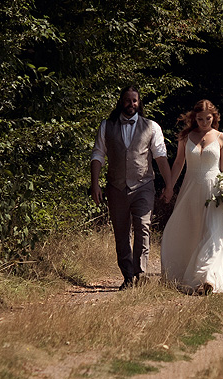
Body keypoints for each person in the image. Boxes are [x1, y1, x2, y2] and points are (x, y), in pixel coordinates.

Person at [90, 85, 174, 290]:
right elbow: (98, 155)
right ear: (121, 102)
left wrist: (170, 185)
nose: (131, 104)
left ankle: (140, 273)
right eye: (127, 100)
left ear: (139, 103)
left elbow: (160, 156)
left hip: (143, 185)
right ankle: (128, 276)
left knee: (143, 227)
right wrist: (95, 184)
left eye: (135, 100)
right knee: (121, 232)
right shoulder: (106, 126)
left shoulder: (152, 126)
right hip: (115, 187)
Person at [160, 99, 223, 295]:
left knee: (212, 231)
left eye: (207, 118)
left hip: (214, 191)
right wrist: (169, 187)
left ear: (214, 117)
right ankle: (187, 272)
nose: (203, 122)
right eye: (200, 119)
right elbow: (178, 164)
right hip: (190, 188)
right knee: (188, 229)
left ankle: (208, 278)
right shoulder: (186, 137)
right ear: (194, 118)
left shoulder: (221, 137)